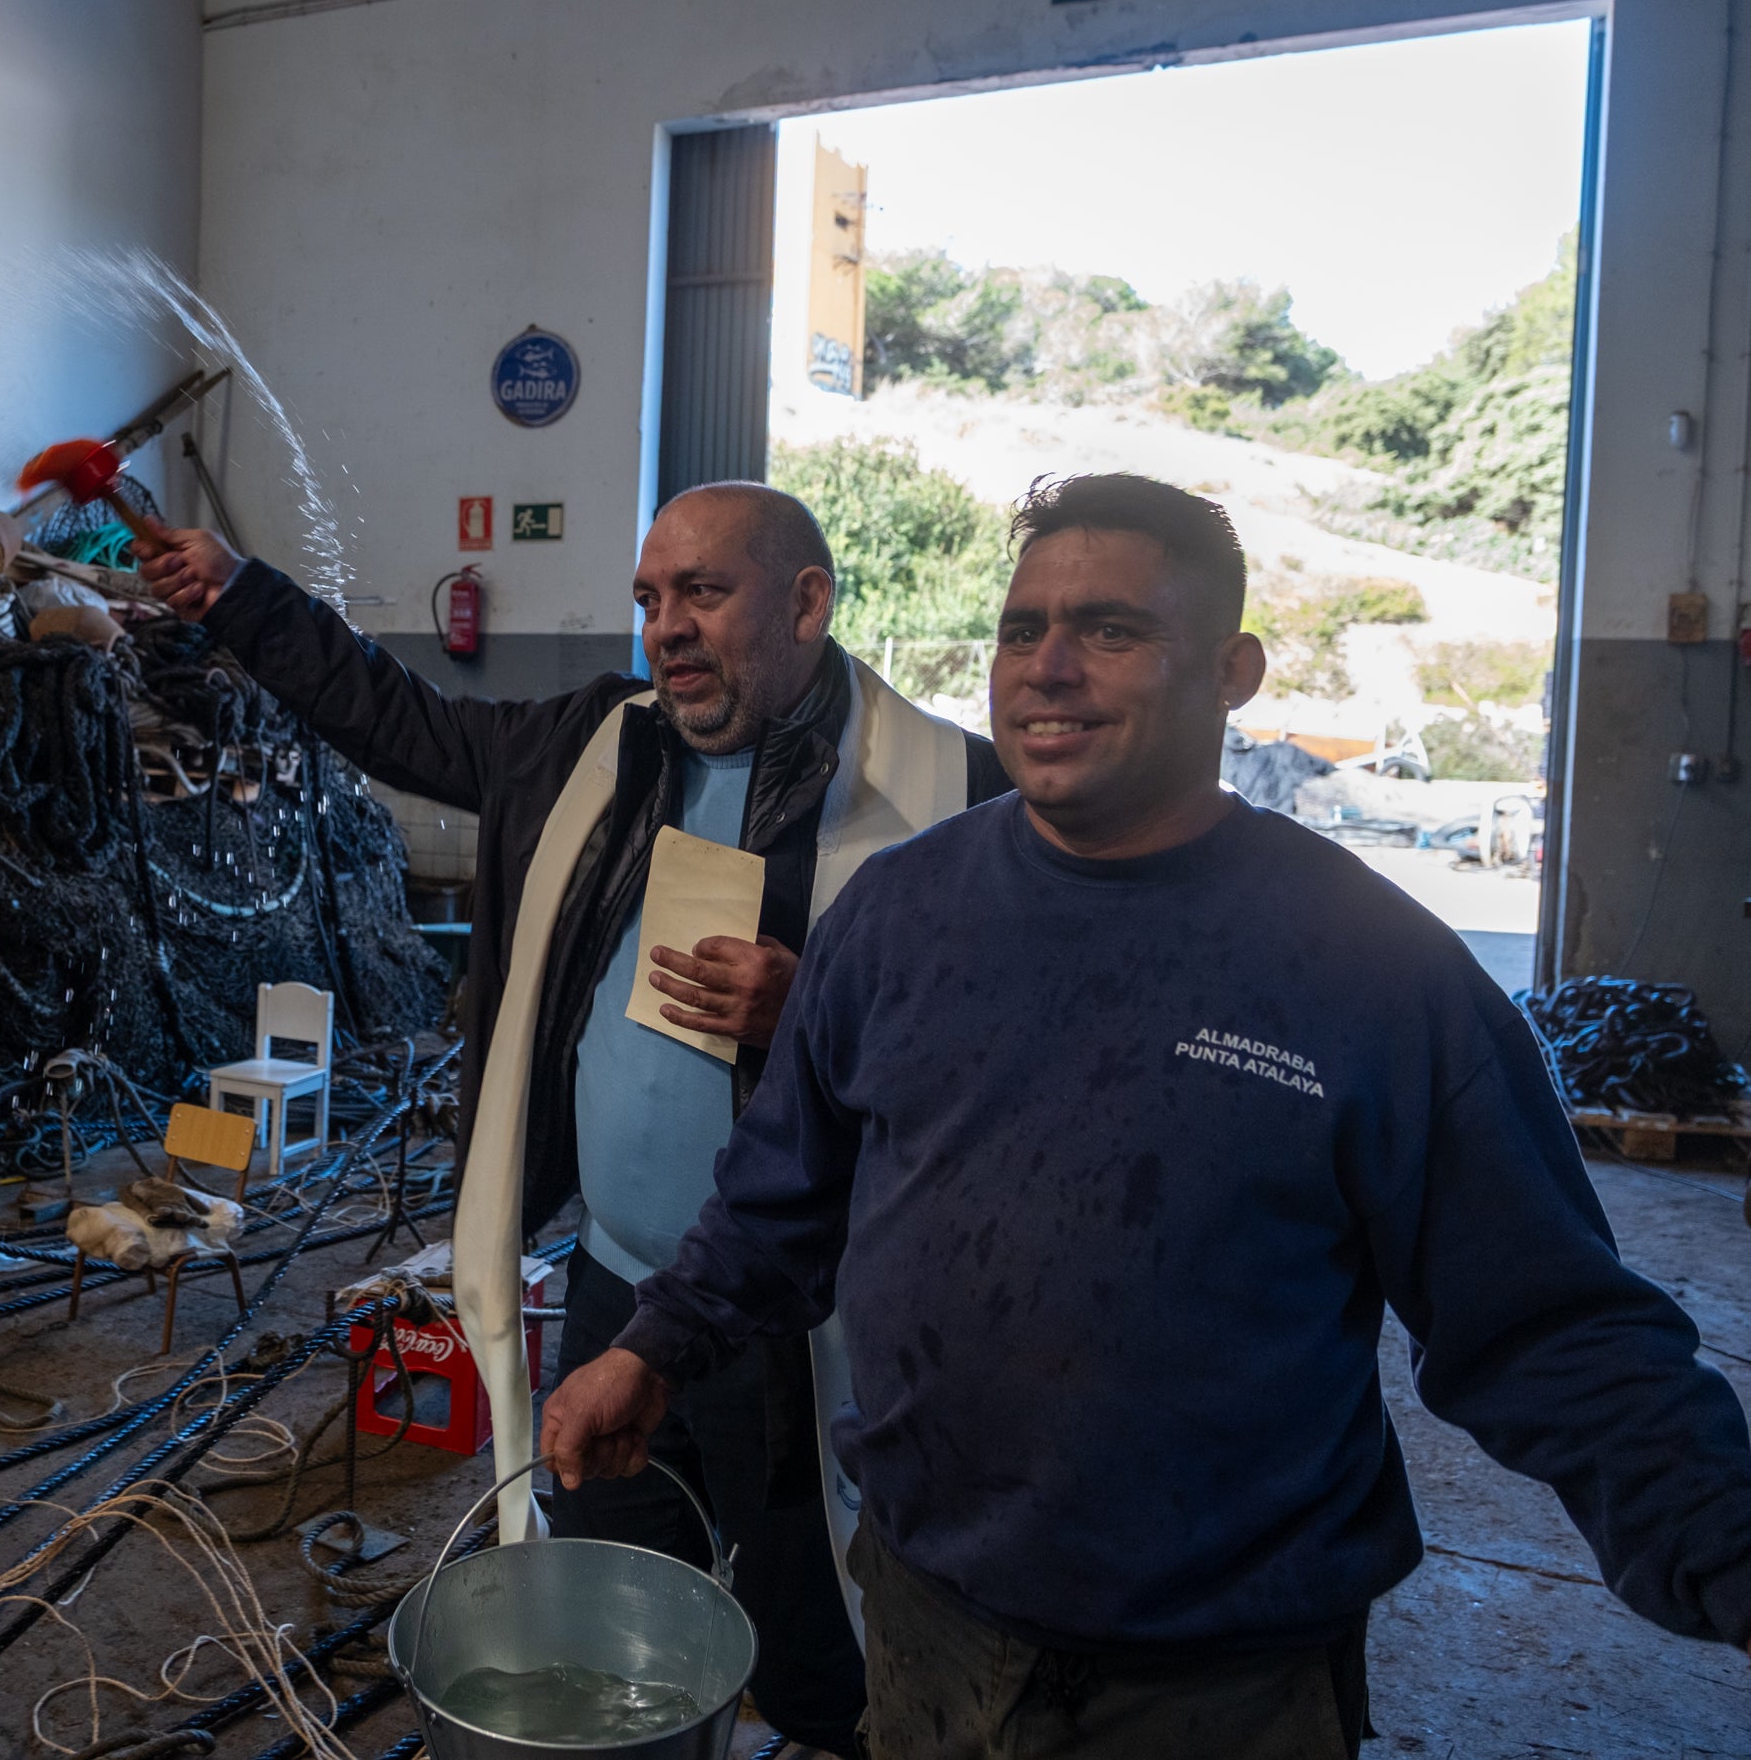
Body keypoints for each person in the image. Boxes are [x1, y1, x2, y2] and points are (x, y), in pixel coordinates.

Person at [543, 473, 1751, 1760]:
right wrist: (654, 1347)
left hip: (1219, 1681)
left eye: (1111, 630)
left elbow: (1551, 1326)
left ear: (1233, 672)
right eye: (1022, 632)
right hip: (925, 1618)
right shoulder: (899, 918)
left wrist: (1721, 1542)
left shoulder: (1372, 971)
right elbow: (781, 1194)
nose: (1048, 670)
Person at [144, 483, 1012, 1757]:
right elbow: (403, 723)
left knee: (823, 1642)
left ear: (809, 603)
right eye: (651, 600)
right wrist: (243, 598)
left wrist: (820, 1005)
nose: (667, 629)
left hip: (797, 1328)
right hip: (614, 1284)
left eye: (704, 594)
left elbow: (1019, 1057)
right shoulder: (597, 749)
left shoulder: (953, 796)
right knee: (614, 1597)